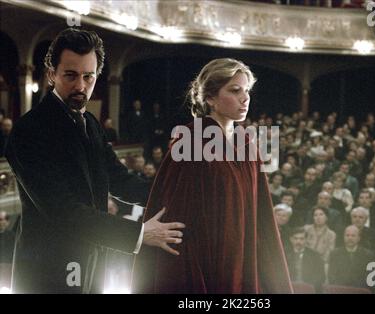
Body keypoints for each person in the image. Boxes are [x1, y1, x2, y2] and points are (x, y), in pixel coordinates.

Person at [5, 28, 185, 293]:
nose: (80, 86)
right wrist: (138, 234)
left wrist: (177, 195)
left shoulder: (89, 122)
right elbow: (63, 211)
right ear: (51, 74)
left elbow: (119, 178)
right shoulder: (28, 131)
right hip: (50, 269)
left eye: (88, 76)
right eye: (70, 75)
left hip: (95, 258)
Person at [133, 58, 293, 293]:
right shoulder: (191, 140)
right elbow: (176, 219)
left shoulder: (247, 142)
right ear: (210, 98)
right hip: (205, 269)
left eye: (246, 90)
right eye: (235, 90)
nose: (245, 98)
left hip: (242, 264)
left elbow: (262, 218)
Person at [285, 227, 325, 292]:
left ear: (306, 240)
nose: (298, 241)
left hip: (308, 289)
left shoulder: (315, 256)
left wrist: (307, 286)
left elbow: (321, 277)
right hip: (289, 289)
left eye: (301, 239)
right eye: (295, 238)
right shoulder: (284, 254)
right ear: (291, 239)